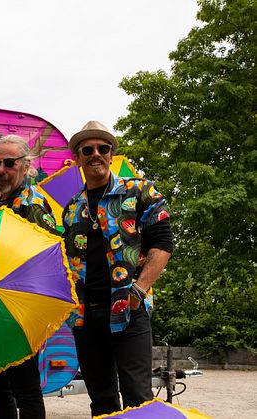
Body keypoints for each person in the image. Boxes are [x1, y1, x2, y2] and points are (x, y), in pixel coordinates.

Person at [62, 120, 173, 416]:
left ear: (111, 154)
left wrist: (139, 289)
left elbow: (163, 245)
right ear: (78, 158)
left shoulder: (139, 192)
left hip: (129, 309)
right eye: (88, 149)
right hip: (86, 316)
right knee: (101, 399)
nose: (95, 153)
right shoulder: (72, 208)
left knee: (137, 394)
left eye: (103, 147)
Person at [0, 135, 54, 419]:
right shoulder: (3, 200)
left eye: (9, 163)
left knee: (24, 389)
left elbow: (46, 262)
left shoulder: (32, 203)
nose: (0, 169)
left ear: (26, 167)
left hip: (19, 313)